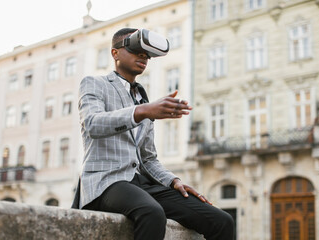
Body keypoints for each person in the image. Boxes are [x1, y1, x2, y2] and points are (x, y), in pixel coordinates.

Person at [72, 27, 234, 240]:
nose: (143, 57)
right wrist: (143, 111)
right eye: (135, 51)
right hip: (105, 182)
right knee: (151, 213)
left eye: (146, 54)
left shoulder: (143, 100)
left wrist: (172, 181)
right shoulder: (95, 84)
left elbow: (148, 158)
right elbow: (92, 124)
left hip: (142, 184)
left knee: (222, 221)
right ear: (115, 53)